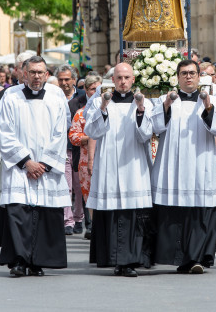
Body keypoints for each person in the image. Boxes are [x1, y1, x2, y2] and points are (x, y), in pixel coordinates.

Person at [148, 59, 216, 274]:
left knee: (198, 212)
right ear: (177, 77)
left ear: (198, 76)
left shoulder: (211, 99)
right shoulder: (166, 99)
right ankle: (178, 257)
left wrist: (209, 108)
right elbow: (154, 127)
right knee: (175, 213)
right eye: (184, 73)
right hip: (173, 167)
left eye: (192, 73)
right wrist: (165, 106)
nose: (188, 77)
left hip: (200, 163)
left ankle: (196, 258)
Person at [0, 56, 70, 277]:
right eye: (32, 72)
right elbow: (4, 130)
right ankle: (19, 261)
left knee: (44, 214)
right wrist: (27, 162)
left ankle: (38, 262)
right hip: (19, 167)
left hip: (46, 168)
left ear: (47, 75)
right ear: (24, 74)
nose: (36, 76)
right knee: (19, 212)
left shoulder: (56, 97)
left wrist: (43, 164)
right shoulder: (10, 96)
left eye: (40, 72)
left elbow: (60, 132)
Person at [84, 64, 154, 277]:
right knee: (113, 213)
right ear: (112, 80)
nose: (123, 81)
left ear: (133, 80)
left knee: (134, 213)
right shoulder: (98, 101)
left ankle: (132, 259)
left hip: (134, 163)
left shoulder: (143, 102)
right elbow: (92, 131)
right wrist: (103, 108)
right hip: (109, 164)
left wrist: (141, 110)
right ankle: (114, 258)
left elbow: (147, 134)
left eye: (127, 77)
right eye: (119, 77)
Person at [69, 73, 101, 240]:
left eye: (99, 88)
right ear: (86, 91)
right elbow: (73, 136)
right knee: (89, 195)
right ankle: (94, 227)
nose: (96, 92)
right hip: (85, 160)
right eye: (92, 89)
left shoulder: (111, 110)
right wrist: (89, 138)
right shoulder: (81, 113)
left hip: (105, 160)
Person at [55, 65, 83, 235]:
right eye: (61, 80)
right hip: (62, 147)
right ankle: (68, 221)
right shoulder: (54, 96)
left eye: (67, 79)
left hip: (80, 147)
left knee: (79, 186)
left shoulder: (81, 97)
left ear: (74, 80)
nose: (64, 83)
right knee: (66, 186)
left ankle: (79, 217)